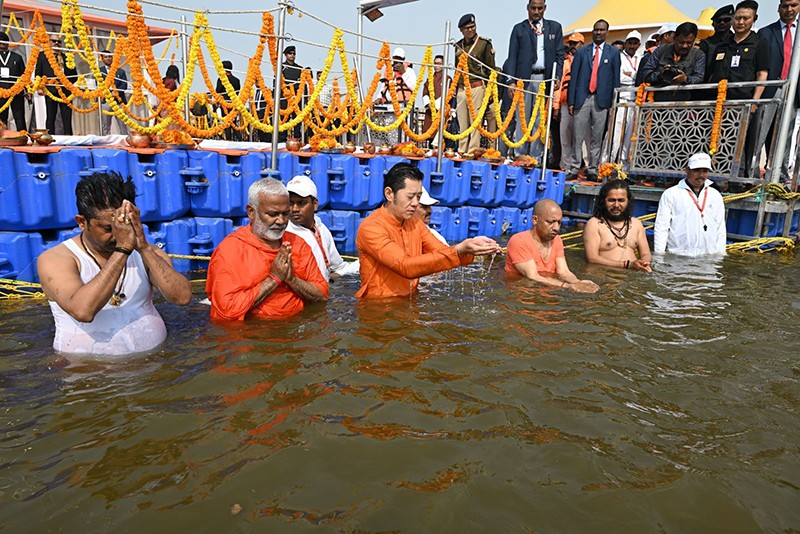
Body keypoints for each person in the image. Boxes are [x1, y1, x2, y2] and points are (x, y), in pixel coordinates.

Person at [36, 171, 192, 356]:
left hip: (154, 366)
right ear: (82, 222)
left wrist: (142, 246)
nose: (118, 234)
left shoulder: (147, 252)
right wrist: (123, 249)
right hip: (89, 372)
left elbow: (182, 298)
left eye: (125, 224)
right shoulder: (57, 259)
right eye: (108, 228)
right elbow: (83, 311)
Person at [355, 163, 502, 298]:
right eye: (410, 196)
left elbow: (443, 252)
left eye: (418, 197)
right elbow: (405, 266)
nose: (415, 203)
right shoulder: (371, 227)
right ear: (389, 194)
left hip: (410, 303)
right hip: (377, 310)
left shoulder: (415, 223)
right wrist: (458, 250)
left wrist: (471, 249)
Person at [206, 178, 328, 321]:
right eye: (273, 214)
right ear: (251, 212)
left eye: (285, 214)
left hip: (295, 329)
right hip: (251, 336)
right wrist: (274, 279)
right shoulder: (230, 251)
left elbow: (322, 294)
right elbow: (226, 310)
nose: (281, 221)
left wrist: (291, 279)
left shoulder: (297, 244)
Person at [708, 0, 770, 177]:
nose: (740, 22)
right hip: (720, 102)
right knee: (719, 141)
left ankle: (738, 179)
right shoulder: (723, 44)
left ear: (754, 19)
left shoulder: (759, 43)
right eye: (737, 18)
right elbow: (713, 73)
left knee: (741, 143)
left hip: (744, 101)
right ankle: (718, 178)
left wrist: (754, 101)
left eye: (745, 18)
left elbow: (762, 74)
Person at [505, 0, 565, 159]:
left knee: (539, 119)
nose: (536, 11)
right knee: (522, 117)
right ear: (527, 8)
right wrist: (510, 81)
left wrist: (557, 76)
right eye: (533, 8)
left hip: (543, 79)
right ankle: (520, 155)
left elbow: (560, 56)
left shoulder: (554, 27)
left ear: (545, 8)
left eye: (540, 8)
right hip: (522, 80)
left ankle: (535, 157)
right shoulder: (519, 28)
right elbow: (512, 57)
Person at [505, 198, 599, 292]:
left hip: (547, 291)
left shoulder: (557, 239)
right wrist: (567, 286)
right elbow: (533, 276)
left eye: (559, 222)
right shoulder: (519, 241)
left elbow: (563, 271)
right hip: (522, 293)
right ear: (535, 220)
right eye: (550, 222)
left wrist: (578, 283)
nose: (556, 228)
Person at [568, 19, 620, 181]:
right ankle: (575, 167)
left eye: (602, 30)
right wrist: (571, 101)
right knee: (577, 136)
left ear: (607, 32)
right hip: (582, 99)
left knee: (597, 137)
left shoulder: (613, 53)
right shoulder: (582, 52)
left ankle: (592, 169)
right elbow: (573, 78)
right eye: (596, 29)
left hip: (602, 100)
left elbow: (615, 80)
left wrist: (614, 103)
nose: (598, 32)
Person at [285, 175, 360, 281]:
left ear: (315, 204)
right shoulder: (285, 234)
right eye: (290, 203)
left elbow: (337, 267)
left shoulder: (320, 228)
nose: (295, 209)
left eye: (301, 203)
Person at [758, 0, 800, 182]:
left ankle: (780, 178)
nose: (789, 10)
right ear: (778, 8)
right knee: (760, 133)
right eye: (785, 6)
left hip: (794, 91)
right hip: (769, 90)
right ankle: (752, 175)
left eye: (794, 5)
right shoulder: (765, 32)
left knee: (786, 134)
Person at [653, 152, 727, 256]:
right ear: (687, 170)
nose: (701, 175)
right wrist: (659, 255)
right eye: (697, 170)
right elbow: (662, 227)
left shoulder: (715, 195)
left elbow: (720, 228)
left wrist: (720, 255)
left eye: (705, 171)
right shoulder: (671, 194)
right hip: (678, 255)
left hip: (708, 257)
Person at [582, 180, 652, 271]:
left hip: (632, 276)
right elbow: (592, 258)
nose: (616, 205)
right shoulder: (594, 224)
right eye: (611, 200)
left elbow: (646, 253)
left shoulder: (636, 223)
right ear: (603, 202)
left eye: (621, 200)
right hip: (606, 276)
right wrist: (627, 265)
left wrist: (644, 262)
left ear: (628, 201)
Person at [454, 13, 499, 154]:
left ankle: (472, 150)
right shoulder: (458, 46)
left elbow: (491, 69)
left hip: (477, 86)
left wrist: (490, 91)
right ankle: (462, 150)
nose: (470, 30)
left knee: (475, 122)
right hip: (462, 88)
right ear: (461, 30)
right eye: (467, 28)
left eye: (472, 27)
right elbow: (457, 69)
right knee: (462, 122)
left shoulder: (484, 44)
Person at [639, 22, 705, 102]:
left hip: (684, 105)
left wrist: (686, 79)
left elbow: (699, 77)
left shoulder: (698, 55)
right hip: (658, 104)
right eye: (681, 42)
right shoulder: (661, 50)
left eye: (689, 43)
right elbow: (645, 73)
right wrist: (660, 75)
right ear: (674, 38)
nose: (684, 46)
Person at [35, 36, 77, 135]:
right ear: (49, 42)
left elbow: (75, 75)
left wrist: (67, 83)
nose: (56, 43)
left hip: (65, 90)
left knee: (67, 117)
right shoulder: (43, 55)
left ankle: (68, 137)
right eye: (54, 41)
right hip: (51, 90)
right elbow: (38, 73)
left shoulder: (67, 57)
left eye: (59, 41)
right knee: (50, 115)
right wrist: (39, 87)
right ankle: (49, 137)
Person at [611, 30, 642, 161]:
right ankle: (608, 162)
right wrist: (636, 77)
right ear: (625, 43)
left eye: (635, 43)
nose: (632, 46)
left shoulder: (640, 58)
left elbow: (641, 77)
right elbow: (620, 77)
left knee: (630, 136)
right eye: (630, 43)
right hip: (620, 99)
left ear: (639, 45)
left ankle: (623, 166)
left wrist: (632, 75)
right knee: (615, 134)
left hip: (635, 100)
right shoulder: (618, 57)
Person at [559, 32, 584, 172]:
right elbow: (560, 84)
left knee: (580, 138)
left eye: (575, 43)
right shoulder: (565, 62)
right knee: (565, 136)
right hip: (565, 103)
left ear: (582, 44)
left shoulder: (588, 59)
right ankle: (567, 166)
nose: (573, 46)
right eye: (571, 44)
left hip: (581, 104)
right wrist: (556, 105)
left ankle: (578, 165)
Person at [422, 54, 453, 148]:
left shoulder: (448, 79)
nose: (437, 66)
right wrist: (429, 104)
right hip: (430, 111)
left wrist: (437, 104)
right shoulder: (429, 79)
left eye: (439, 63)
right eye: (435, 63)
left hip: (441, 110)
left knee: (439, 135)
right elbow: (425, 93)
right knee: (429, 134)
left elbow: (449, 94)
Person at [0, 31, 28, 131]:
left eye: (4, 40)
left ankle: (23, 137)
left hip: (17, 91)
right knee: (1, 118)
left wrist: (27, 90)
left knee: (19, 116)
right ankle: (2, 139)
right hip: (0, 92)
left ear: (8, 43)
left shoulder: (17, 57)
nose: (2, 42)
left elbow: (24, 75)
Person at [699, 5, 735, 80]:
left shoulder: (736, 42)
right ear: (713, 24)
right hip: (710, 85)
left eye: (726, 20)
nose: (722, 23)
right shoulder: (705, 44)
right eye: (718, 20)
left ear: (732, 22)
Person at [98, 50, 129, 136]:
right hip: (106, 101)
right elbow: (99, 85)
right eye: (105, 57)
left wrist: (116, 92)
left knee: (123, 125)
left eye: (109, 56)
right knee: (105, 126)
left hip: (119, 101)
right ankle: (105, 143)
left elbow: (124, 85)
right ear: (102, 59)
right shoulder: (99, 71)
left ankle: (125, 141)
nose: (108, 59)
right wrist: (109, 93)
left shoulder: (120, 71)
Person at [215, 60, 241, 141]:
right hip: (234, 104)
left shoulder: (221, 80)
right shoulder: (236, 80)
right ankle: (240, 139)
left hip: (225, 104)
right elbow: (238, 92)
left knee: (226, 123)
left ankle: (229, 140)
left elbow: (218, 91)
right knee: (234, 122)